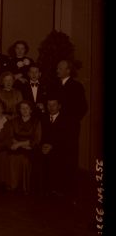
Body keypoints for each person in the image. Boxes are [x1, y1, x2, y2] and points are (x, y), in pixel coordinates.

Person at [51, 59, 88, 201]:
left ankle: (70, 191)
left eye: (60, 68)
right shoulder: (54, 85)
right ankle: (57, 188)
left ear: (68, 70)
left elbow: (83, 108)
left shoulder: (76, 86)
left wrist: (70, 122)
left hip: (70, 129)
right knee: (57, 157)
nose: (57, 70)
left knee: (70, 157)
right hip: (55, 127)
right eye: (57, 68)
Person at [38, 97, 72, 198]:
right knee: (38, 157)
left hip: (60, 149)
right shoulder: (43, 118)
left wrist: (52, 146)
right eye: (49, 105)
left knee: (57, 159)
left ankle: (57, 189)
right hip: (44, 148)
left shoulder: (66, 120)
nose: (51, 107)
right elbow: (40, 135)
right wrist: (42, 145)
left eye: (54, 105)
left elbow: (67, 138)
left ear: (59, 106)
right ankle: (44, 189)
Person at [7, 101, 41, 194]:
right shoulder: (13, 121)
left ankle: (26, 187)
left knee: (25, 160)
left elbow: (37, 139)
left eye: (27, 108)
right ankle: (13, 185)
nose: (24, 110)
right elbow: (10, 136)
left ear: (31, 110)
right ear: (19, 110)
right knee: (12, 158)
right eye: (22, 108)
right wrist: (17, 144)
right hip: (17, 146)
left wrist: (21, 144)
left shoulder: (36, 121)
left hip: (30, 147)